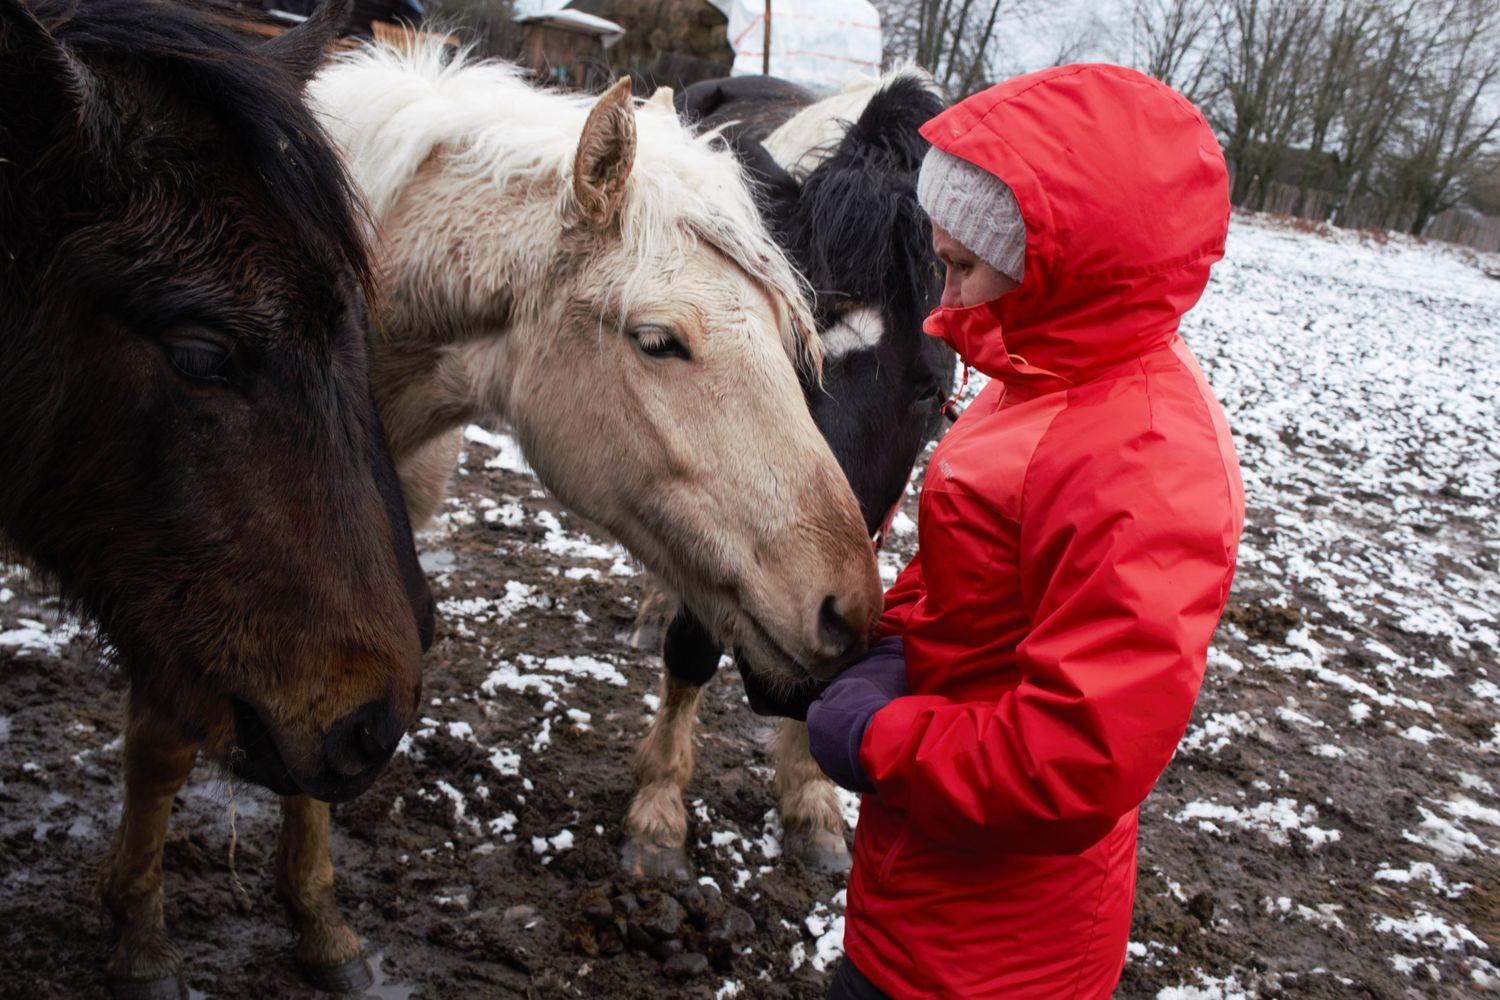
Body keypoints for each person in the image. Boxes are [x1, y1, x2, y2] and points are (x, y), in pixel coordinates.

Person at [804, 64, 1245, 999]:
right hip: (923, 886)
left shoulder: (1146, 460)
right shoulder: (1037, 369)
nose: (944, 303)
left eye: (961, 268)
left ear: (1057, 256)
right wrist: (895, 639)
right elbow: (980, 574)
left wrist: (880, 735)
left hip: (1003, 953)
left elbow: (1074, 758)